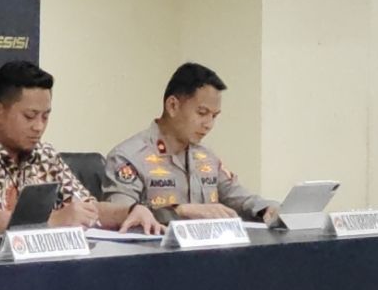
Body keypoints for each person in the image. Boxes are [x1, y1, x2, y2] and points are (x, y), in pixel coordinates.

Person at [0, 61, 163, 234]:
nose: (39, 127)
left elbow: (86, 208)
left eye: (45, 116)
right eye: (29, 116)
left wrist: (130, 211)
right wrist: (52, 221)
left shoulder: (44, 154)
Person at [103, 62, 279, 223]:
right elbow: (120, 215)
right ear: (172, 106)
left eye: (214, 116)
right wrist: (179, 211)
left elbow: (237, 197)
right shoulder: (128, 157)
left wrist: (265, 208)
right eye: (202, 113)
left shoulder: (207, 157)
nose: (209, 124)